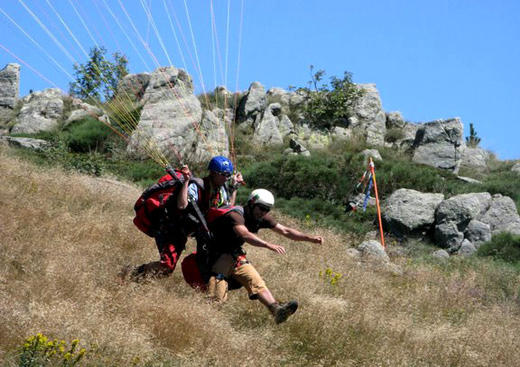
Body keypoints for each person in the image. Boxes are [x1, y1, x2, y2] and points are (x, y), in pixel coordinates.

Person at [205, 188, 324, 324]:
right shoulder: (236, 215)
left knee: (257, 282)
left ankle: (276, 310)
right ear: (251, 203)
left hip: (234, 256)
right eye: (261, 208)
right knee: (217, 299)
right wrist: (268, 245)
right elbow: (245, 234)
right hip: (215, 255)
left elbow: (285, 231)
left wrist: (310, 238)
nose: (263, 212)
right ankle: (208, 318)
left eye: (267, 210)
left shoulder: (261, 217)